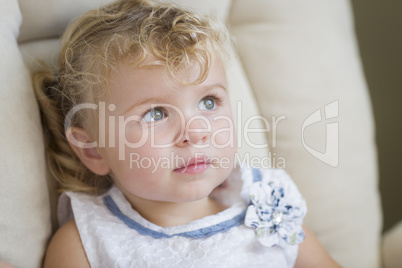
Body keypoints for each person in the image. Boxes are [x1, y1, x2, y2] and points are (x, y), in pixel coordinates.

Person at [34, 0, 340, 267]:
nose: (195, 132)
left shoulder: (266, 202)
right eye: (155, 114)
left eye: (209, 102)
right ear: (94, 151)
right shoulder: (87, 241)